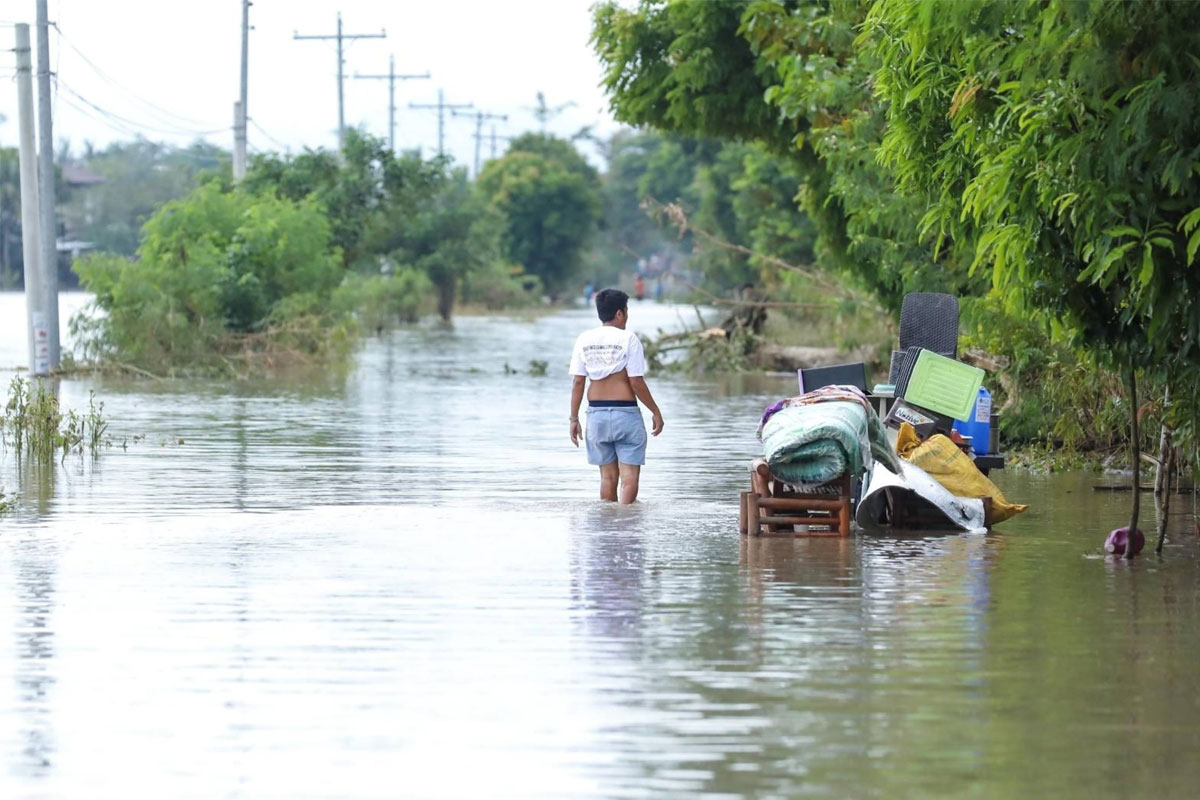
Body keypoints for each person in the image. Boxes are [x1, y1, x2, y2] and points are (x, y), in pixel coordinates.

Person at [568, 289, 664, 503]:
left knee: (607, 478)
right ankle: (626, 526)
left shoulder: (584, 339)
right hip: (626, 414)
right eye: (627, 311)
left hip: (596, 415)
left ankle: (607, 530)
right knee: (629, 480)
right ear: (620, 314)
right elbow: (636, 382)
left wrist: (574, 419)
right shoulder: (628, 339)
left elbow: (578, 382)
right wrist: (655, 411)